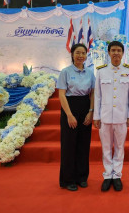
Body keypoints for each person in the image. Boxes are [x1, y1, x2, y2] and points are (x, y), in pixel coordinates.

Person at [93, 41, 129, 192]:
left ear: (123, 53)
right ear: (109, 53)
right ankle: (107, 176)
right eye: (113, 50)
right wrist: (96, 116)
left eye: (119, 50)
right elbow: (97, 95)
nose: (116, 53)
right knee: (105, 148)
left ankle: (117, 175)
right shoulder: (101, 71)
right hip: (104, 116)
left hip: (121, 116)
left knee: (119, 147)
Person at [57, 43, 95, 191]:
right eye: (77, 53)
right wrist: (69, 115)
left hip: (85, 107)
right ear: (72, 54)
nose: (80, 56)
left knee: (84, 144)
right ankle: (68, 179)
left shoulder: (90, 73)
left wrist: (91, 111)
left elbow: (92, 93)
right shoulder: (65, 72)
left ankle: (82, 176)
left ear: (86, 55)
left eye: (83, 53)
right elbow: (61, 94)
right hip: (70, 107)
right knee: (69, 144)